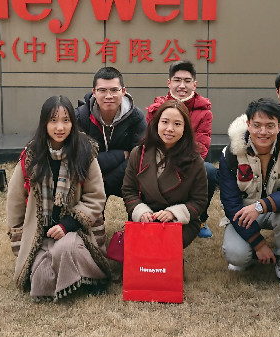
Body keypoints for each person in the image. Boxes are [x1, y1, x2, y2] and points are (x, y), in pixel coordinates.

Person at [6, 95, 111, 301]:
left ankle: (91, 277)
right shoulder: (31, 156)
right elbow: (15, 199)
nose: (60, 127)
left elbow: (96, 197)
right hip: (41, 234)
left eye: (66, 120)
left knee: (65, 248)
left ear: (73, 123)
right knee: (42, 274)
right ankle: (73, 278)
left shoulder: (85, 152)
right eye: (53, 121)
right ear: (44, 123)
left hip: (75, 231)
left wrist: (67, 224)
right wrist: (18, 236)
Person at [218, 98, 280, 294]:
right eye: (257, 125)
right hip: (244, 212)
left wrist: (261, 205)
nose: (263, 132)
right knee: (237, 256)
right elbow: (230, 203)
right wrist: (259, 244)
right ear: (248, 124)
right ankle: (250, 255)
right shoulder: (231, 153)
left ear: (279, 126)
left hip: (277, 210)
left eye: (270, 126)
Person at [122, 100, 208, 248]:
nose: (170, 129)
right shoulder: (138, 153)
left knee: (163, 246)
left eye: (177, 124)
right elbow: (129, 190)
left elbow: (199, 201)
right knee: (141, 250)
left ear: (185, 128)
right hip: (145, 218)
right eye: (165, 122)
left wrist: (173, 213)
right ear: (156, 124)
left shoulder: (195, 161)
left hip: (179, 222)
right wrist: (141, 212)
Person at [146, 60, 217, 238]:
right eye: (177, 80)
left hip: (188, 161)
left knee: (209, 171)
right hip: (159, 159)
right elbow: (151, 141)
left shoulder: (204, 112)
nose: (182, 86)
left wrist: (175, 160)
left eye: (187, 81)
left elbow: (201, 147)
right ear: (169, 82)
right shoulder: (156, 108)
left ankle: (200, 218)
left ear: (195, 84)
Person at [75, 66, 146, 200]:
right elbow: (79, 159)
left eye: (114, 90)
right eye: (102, 90)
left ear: (123, 91)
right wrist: (120, 155)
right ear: (94, 92)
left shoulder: (136, 117)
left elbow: (140, 158)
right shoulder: (81, 117)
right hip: (87, 189)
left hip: (125, 188)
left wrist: (107, 181)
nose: (109, 96)